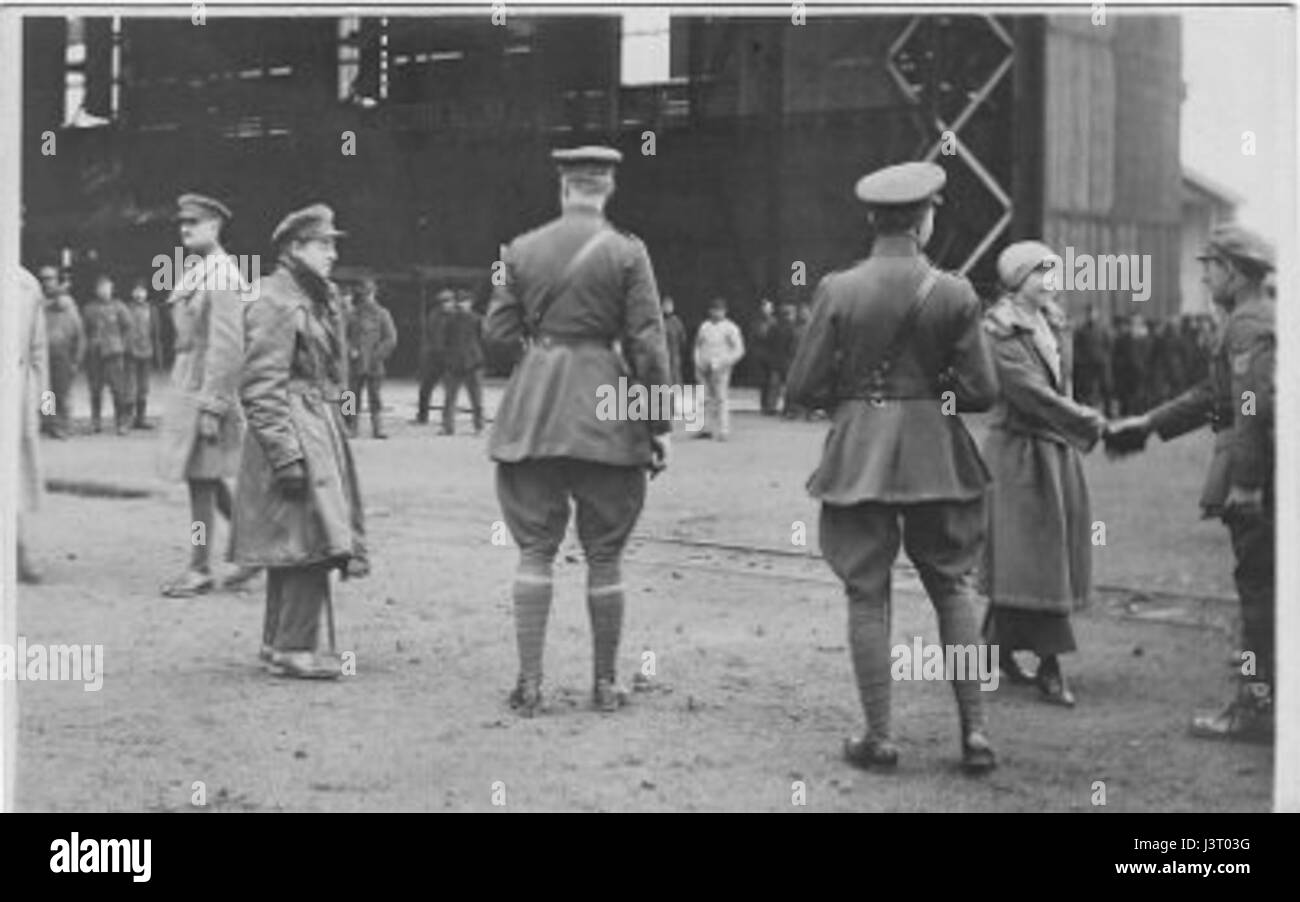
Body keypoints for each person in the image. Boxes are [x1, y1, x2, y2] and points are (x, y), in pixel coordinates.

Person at [785, 161, 999, 775]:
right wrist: (937, 394)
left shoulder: (838, 288)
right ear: (925, 220)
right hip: (937, 454)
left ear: (873, 219)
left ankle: (878, 737)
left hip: (859, 456)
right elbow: (982, 391)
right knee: (953, 587)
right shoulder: (955, 292)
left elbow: (802, 386)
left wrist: (854, 403)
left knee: (865, 591)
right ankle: (976, 735)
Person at [484, 145, 671, 716]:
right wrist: (654, 421)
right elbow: (647, 344)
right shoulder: (627, 252)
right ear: (606, 188)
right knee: (606, 554)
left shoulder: (517, 250)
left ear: (563, 187)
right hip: (608, 408)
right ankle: (606, 685)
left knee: (535, 551)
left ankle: (531, 684)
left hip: (535, 411)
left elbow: (494, 334)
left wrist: (538, 355)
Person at [1106, 224, 1275, 742]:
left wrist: (1246, 482)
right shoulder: (1251, 320)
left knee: (1258, 591)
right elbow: (1213, 394)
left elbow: (1252, 407)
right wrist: (1149, 424)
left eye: (1211, 266)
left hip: (1260, 475)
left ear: (1234, 272)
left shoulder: (1248, 325)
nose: (1204, 276)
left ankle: (1254, 707)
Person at [231, 204, 369, 680]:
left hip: (312, 422)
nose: (333, 252)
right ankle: (295, 648)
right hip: (295, 428)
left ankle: (277, 643)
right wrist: (285, 455)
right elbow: (260, 386)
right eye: (323, 244)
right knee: (312, 537)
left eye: (333, 243)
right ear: (294, 248)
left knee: (294, 540)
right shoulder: (276, 300)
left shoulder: (309, 296)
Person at [980, 241, 1109, 707]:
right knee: (1035, 554)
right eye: (1040, 272)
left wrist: (1073, 422)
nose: (1051, 280)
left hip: (1054, 451)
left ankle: (996, 648)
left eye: (1054, 271)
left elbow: (1061, 385)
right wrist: (1088, 421)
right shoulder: (997, 331)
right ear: (1016, 279)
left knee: (1034, 552)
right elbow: (1031, 394)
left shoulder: (1053, 322)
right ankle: (1050, 664)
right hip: (1019, 455)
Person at [157, 194, 259, 596]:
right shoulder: (199, 272)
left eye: (194, 223)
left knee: (201, 481)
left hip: (205, 392)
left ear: (215, 228)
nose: (185, 228)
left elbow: (228, 347)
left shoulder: (223, 278)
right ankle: (252, 553)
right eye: (182, 222)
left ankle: (199, 568)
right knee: (206, 478)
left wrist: (213, 406)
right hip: (189, 388)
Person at [14, 267, 48, 583]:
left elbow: (39, 350)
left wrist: (45, 403)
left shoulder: (27, 284)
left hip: (16, 393)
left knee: (13, 473)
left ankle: (18, 547)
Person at [346, 275, 397, 439]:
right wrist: (350, 349)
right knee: (350, 396)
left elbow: (390, 338)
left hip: (375, 364)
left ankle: (378, 428)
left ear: (374, 294)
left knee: (375, 397)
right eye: (364, 293)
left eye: (369, 293)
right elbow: (342, 336)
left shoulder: (383, 314)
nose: (367, 297)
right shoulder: (351, 314)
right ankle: (349, 427)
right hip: (354, 363)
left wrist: (377, 355)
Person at [82, 272, 132, 435]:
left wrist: (120, 346)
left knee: (118, 390)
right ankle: (95, 422)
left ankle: (121, 423)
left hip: (114, 355)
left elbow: (128, 328)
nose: (104, 291)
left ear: (112, 289)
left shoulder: (119, 307)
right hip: (95, 355)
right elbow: (84, 331)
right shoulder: (89, 308)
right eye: (100, 288)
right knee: (95, 390)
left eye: (107, 288)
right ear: (96, 290)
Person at [39, 265, 83, 439]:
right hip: (43, 355)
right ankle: (50, 423)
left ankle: (64, 425)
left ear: (56, 280)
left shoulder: (68, 303)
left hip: (62, 355)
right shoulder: (39, 302)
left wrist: (76, 360)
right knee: (46, 392)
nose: (46, 282)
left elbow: (79, 334)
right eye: (43, 279)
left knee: (62, 392)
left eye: (50, 278)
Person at [693, 297, 744, 439]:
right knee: (702, 398)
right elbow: (697, 346)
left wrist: (723, 363)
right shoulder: (704, 326)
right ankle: (704, 429)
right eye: (713, 309)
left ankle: (723, 430)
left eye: (719, 310)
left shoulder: (730, 328)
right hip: (703, 367)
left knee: (721, 398)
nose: (716, 313)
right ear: (709, 311)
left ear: (724, 311)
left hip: (720, 368)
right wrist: (697, 361)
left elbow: (739, 350)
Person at [441, 290, 485, 435]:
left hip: (473, 363)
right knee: (449, 399)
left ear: (470, 303)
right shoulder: (450, 320)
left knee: (476, 399)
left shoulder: (477, 320)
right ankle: (448, 427)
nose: (461, 304)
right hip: (455, 363)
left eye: (464, 301)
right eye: (460, 301)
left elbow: (483, 340)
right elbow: (445, 341)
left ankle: (479, 426)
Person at [414, 288, 453, 424]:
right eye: (443, 301)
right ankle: (422, 416)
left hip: (449, 357)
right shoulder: (434, 316)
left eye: (448, 301)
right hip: (434, 356)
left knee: (450, 390)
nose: (446, 304)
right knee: (425, 388)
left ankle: (447, 419)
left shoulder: (455, 317)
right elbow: (429, 335)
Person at [123, 278, 156, 429]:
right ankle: (128, 418)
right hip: (131, 352)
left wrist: (159, 355)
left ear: (147, 293)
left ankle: (141, 418)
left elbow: (156, 333)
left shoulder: (152, 309)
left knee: (144, 387)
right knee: (130, 387)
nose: (139, 294)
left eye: (142, 291)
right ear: (132, 293)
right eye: (136, 290)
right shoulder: (126, 309)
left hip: (147, 351)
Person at [1072, 305, 1113, 414]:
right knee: (1087, 389)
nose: (1091, 315)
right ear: (1086, 315)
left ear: (1097, 314)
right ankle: (1088, 412)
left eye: (1093, 313)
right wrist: (1081, 361)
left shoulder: (1103, 329)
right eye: (1089, 313)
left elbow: (1109, 345)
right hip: (1087, 365)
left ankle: (1108, 412)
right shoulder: (1080, 330)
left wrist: (1104, 357)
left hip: (1101, 363)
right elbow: (1077, 347)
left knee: (1106, 388)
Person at [751, 297, 780, 414]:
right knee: (763, 381)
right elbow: (753, 338)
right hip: (761, 356)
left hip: (773, 356)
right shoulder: (756, 323)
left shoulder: (775, 322)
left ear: (772, 309)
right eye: (764, 307)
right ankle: (764, 405)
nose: (766, 309)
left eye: (768, 307)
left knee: (773, 382)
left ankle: (771, 405)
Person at [661, 295, 687, 388]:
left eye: (669, 305)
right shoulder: (658, 320)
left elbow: (682, 338)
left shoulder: (676, 321)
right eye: (665, 305)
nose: (667, 307)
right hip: (661, 352)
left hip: (674, 352)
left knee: (675, 373)